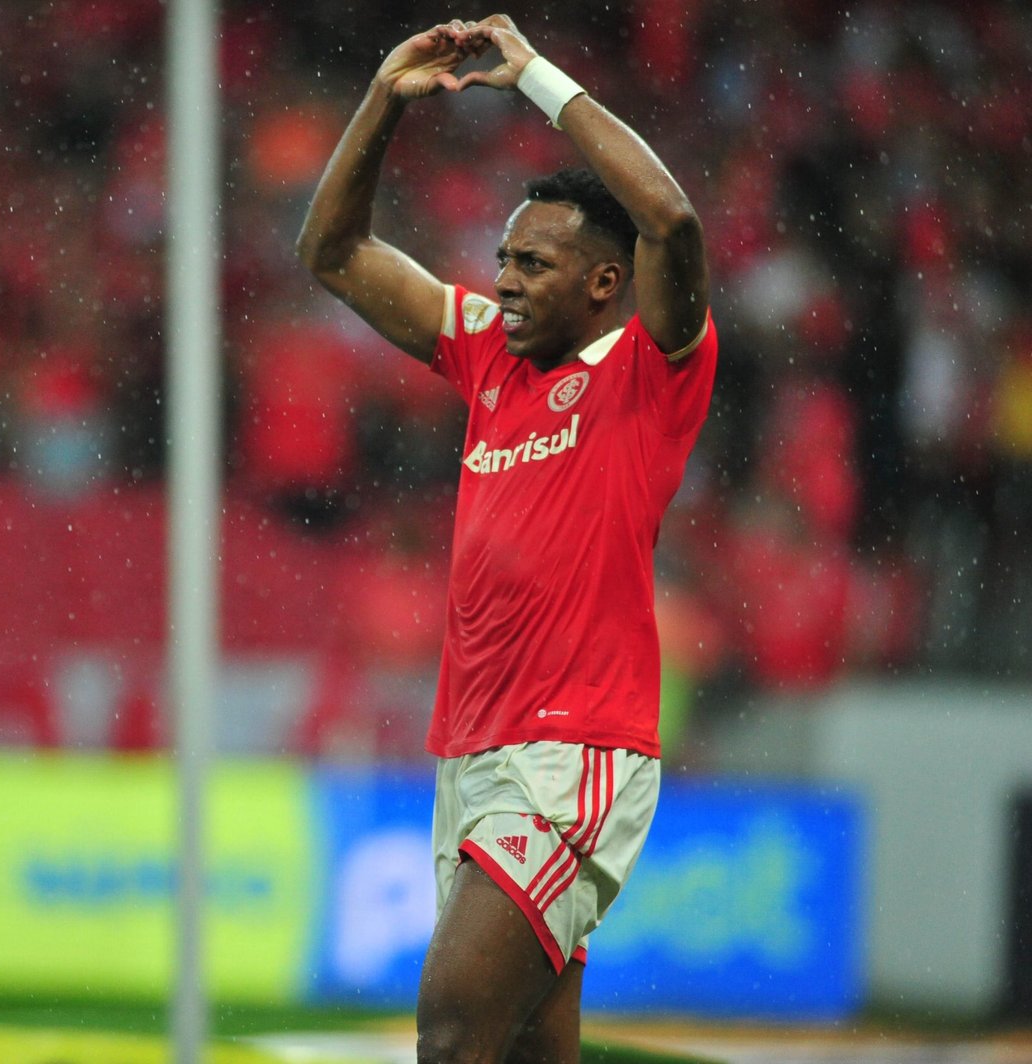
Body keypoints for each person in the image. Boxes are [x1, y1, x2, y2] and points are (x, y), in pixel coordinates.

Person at [298, 16, 714, 1064]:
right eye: (502, 260)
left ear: (603, 283)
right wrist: (382, 100)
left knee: (450, 1033)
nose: (506, 281)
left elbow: (669, 217)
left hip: (574, 750)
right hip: (473, 750)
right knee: (523, 1051)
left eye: (533, 263)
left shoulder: (649, 369)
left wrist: (533, 77)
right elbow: (333, 252)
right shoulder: (488, 354)